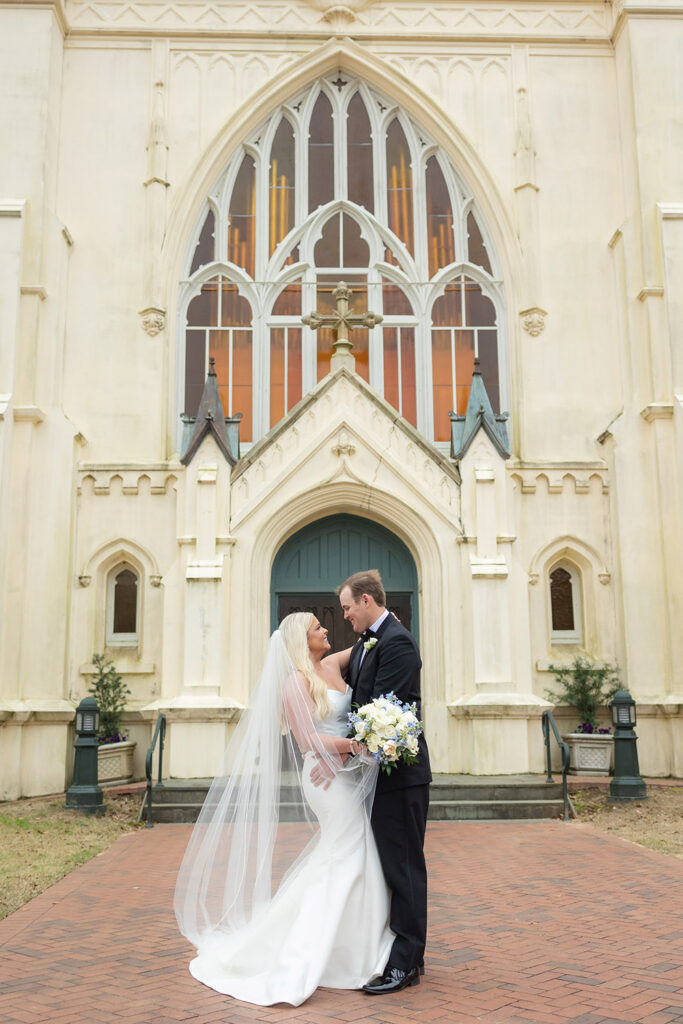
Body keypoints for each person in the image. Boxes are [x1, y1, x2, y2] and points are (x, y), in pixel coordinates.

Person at [174, 611, 394, 1007]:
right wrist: (356, 746)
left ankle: (350, 947)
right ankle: (310, 949)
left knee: (353, 852)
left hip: (343, 772)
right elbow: (308, 740)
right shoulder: (294, 682)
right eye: (317, 628)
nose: (326, 630)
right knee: (345, 852)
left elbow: (364, 644)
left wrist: (383, 617)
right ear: (301, 639)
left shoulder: (329, 664)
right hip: (324, 780)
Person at [337, 569, 431, 995]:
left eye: (347, 607)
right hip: (377, 776)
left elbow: (385, 710)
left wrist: (343, 747)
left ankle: (405, 965)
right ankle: (408, 954)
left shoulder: (398, 642)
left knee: (404, 867)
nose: (345, 616)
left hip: (401, 776)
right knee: (390, 866)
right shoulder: (363, 645)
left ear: (367, 602)